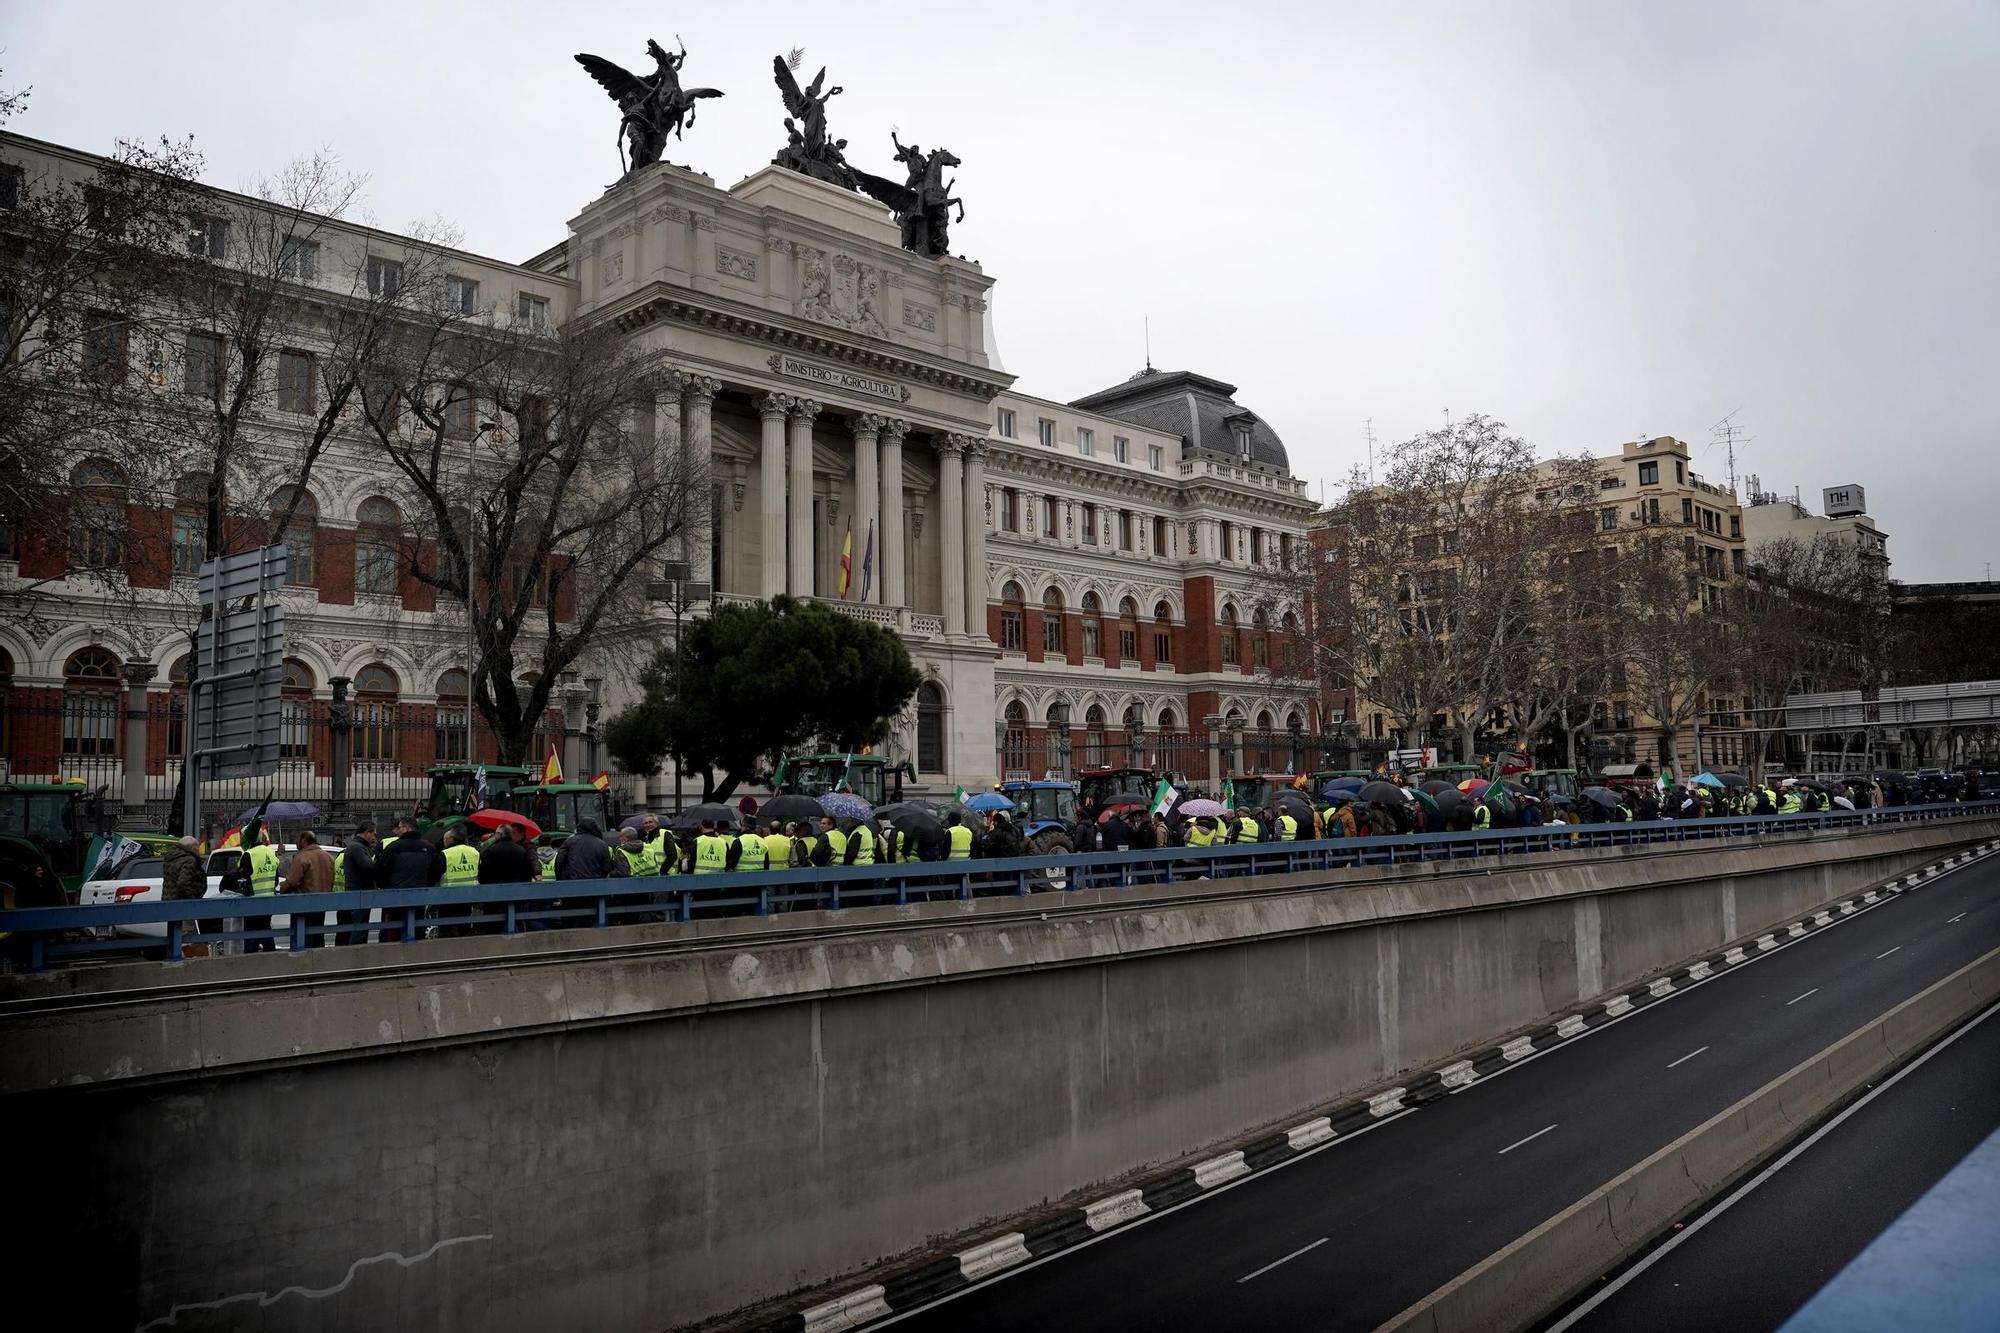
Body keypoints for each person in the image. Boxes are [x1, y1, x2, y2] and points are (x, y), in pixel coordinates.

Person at [376, 817, 445, 943]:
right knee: (416, 927)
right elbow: (436, 871)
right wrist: (426, 885)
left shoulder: (393, 847)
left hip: (395, 897)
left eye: (400, 827)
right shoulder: (429, 847)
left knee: (393, 930)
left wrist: (387, 887)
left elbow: (380, 870)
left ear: (407, 828)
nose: (398, 830)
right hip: (420, 895)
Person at [277, 830, 334, 945]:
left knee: (304, 936)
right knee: (318, 934)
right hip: (323, 902)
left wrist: (281, 888)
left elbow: (292, 881)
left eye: (297, 840)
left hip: (305, 903)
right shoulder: (328, 857)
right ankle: (318, 958)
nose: (296, 843)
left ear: (303, 841)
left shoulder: (301, 857)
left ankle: (305, 959)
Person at [336, 822, 379, 946]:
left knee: (356, 928)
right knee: (359, 930)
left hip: (356, 892)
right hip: (359, 893)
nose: (374, 838)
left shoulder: (357, 847)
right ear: (367, 833)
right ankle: (356, 954)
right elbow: (369, 868)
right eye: (373, 834)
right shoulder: (357, 848)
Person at [160, 834, 206, 952]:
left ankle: (173, 954)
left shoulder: (171, 858)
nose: (198, 850)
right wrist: (192, 898)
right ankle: (184, 957)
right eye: (197, 848)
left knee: (173, 933)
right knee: (187, 934)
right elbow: (183, 883)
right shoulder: (189, 860)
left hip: (169, 902)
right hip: (184, 904)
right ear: (191, 848)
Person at [243, 830, 282, 954]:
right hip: (269, 902)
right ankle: (271, 959)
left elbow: (243, 879)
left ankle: (252, 963)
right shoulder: (271, 853)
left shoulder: (248, 854)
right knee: (266, 931)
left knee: (251, 936)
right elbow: (276, 880)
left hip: (252, 903)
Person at [554, 817, 621, 880]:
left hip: (572, 882)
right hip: (596, 882)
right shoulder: (601, 844)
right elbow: (607, 867)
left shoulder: (569, 841)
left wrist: (561, 878)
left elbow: (559, 862)